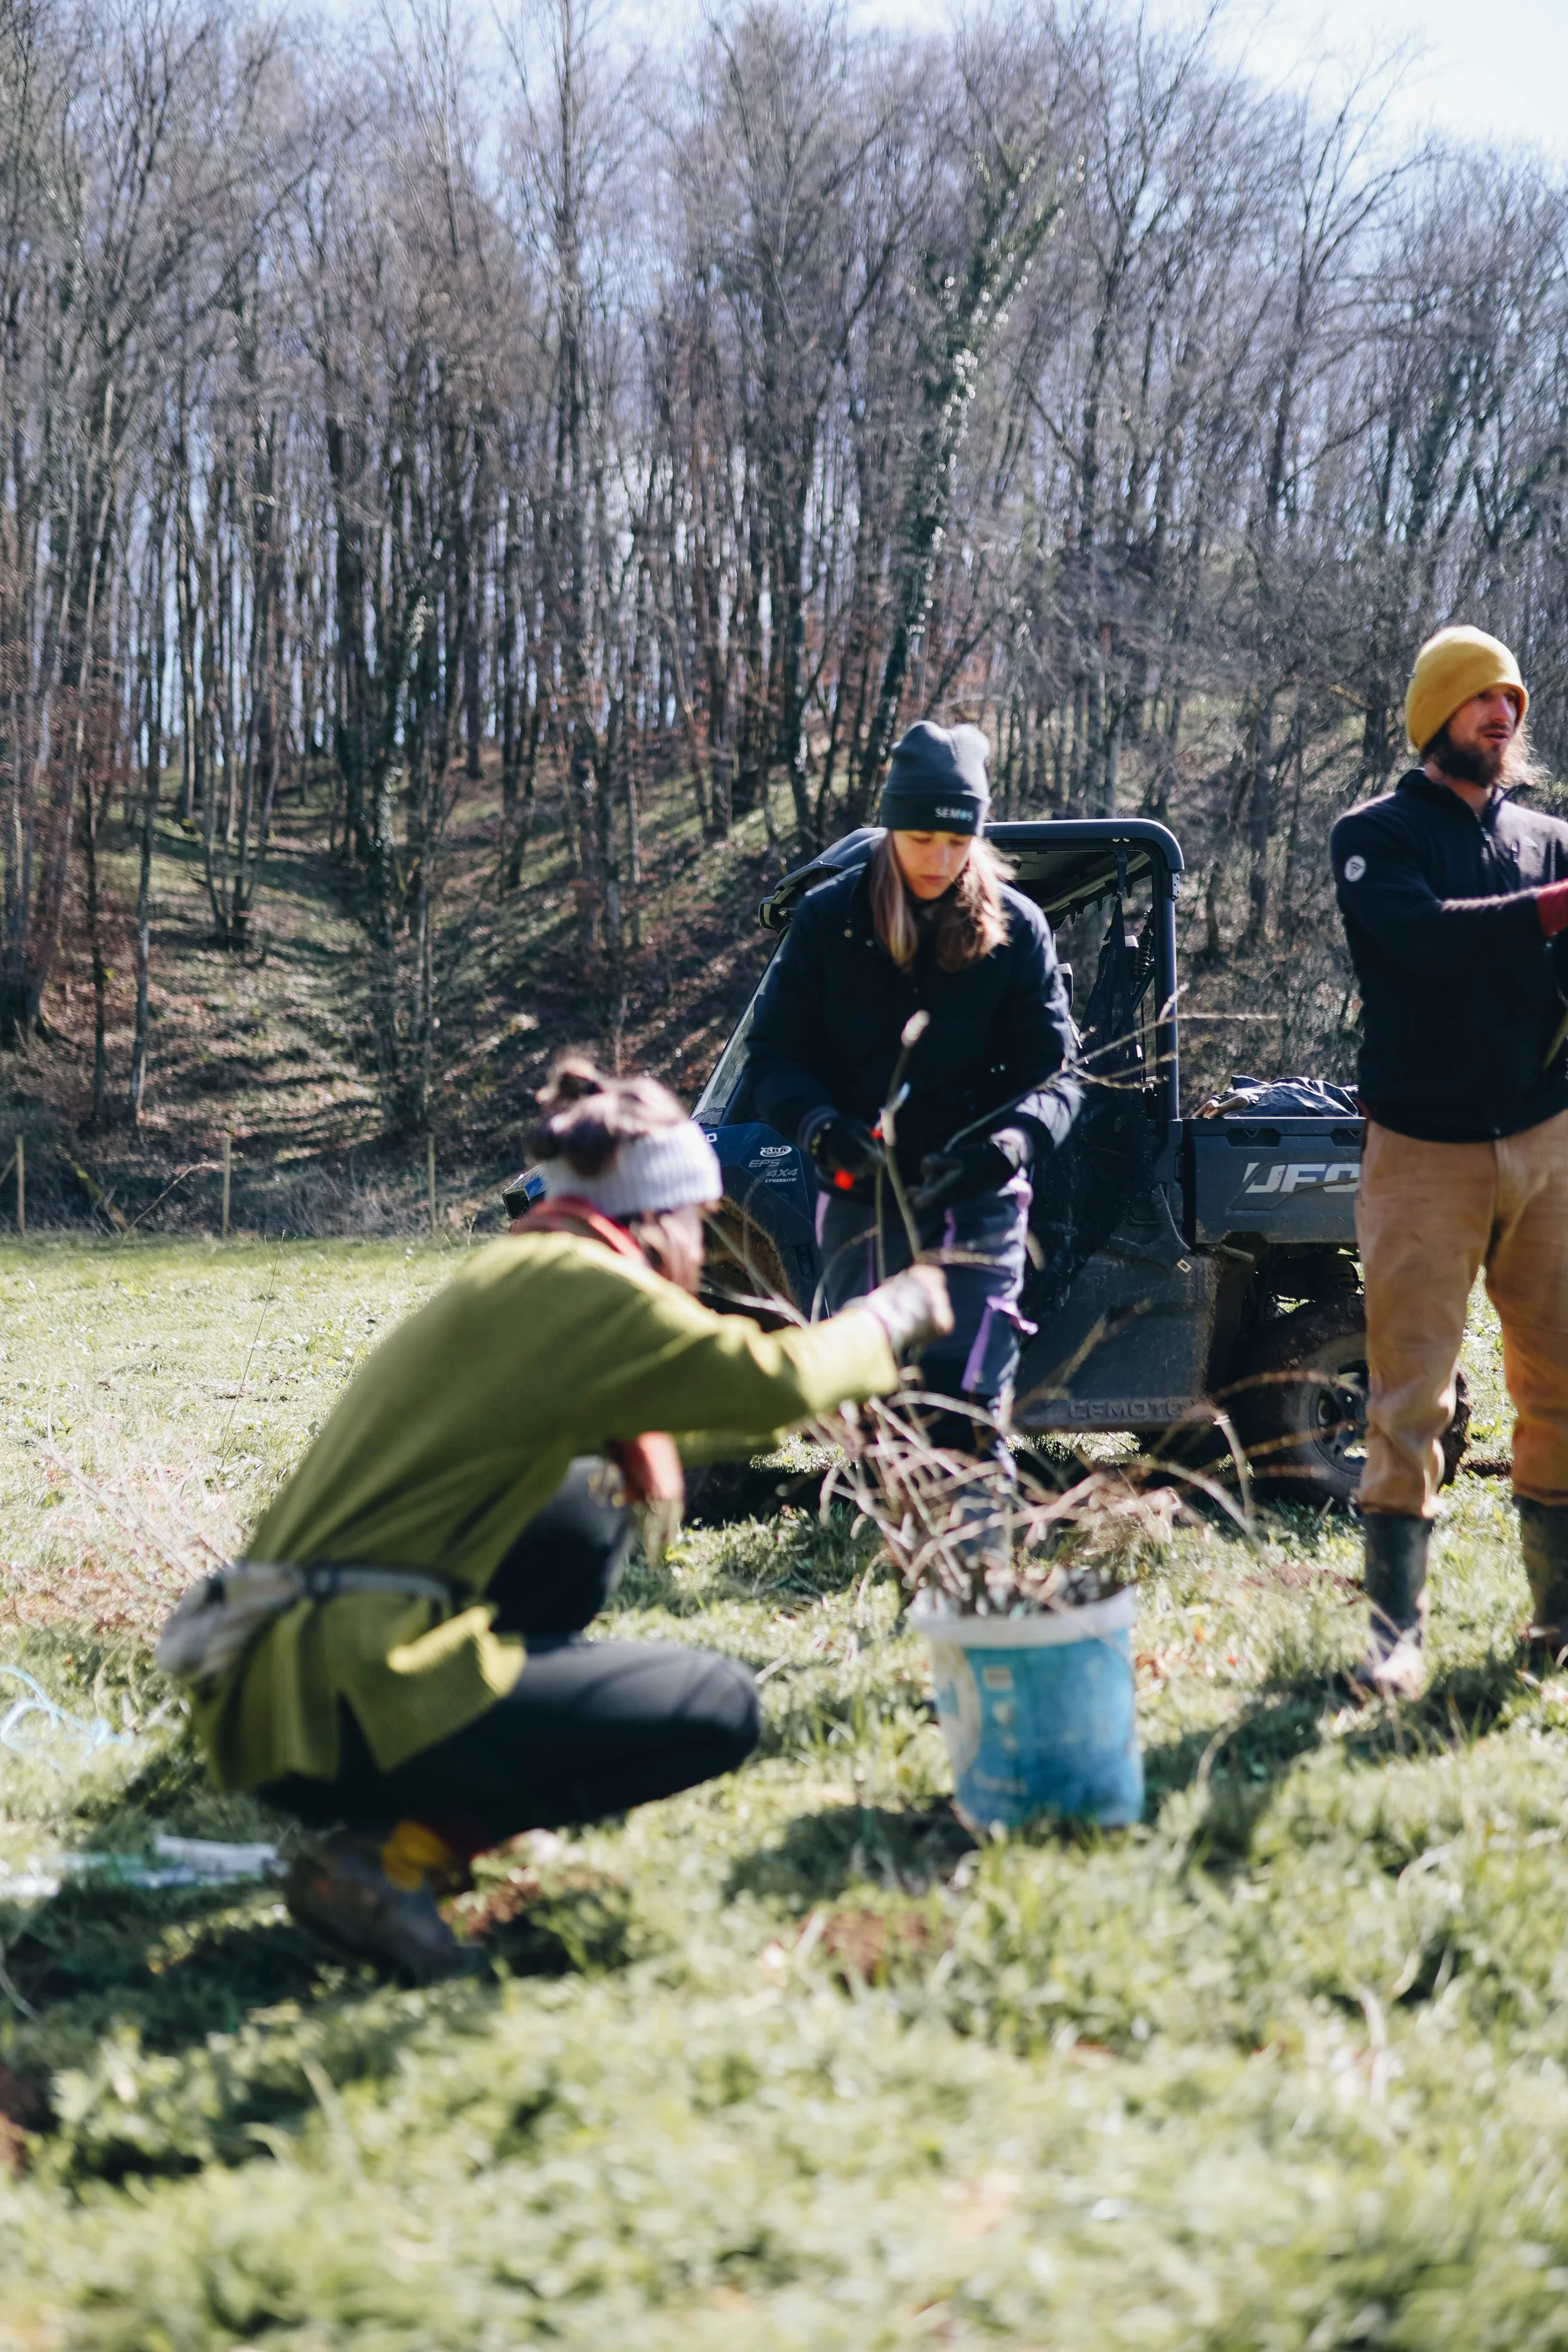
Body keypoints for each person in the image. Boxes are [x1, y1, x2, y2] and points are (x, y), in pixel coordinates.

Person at [163, 1058, 951, 1981]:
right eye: (702, 1222)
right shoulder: (591, 1290)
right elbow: (771, 1388)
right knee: (717, 1706)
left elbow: (661, 1433)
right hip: (352, 1692)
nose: (705, 1251)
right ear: (660, 1217)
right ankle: (394, 1853)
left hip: (267, 1683)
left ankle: (444, 1786)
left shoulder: (518, 1268)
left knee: (584, 1512)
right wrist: (894, 1313)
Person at [744, 719, 1080, 1516]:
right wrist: (821, 1128)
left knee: (967, 1391)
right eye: (921, 837)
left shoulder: (1017, 927)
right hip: (860, 1190)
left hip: (979, 1192)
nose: (937, 859)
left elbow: (1060, 1072)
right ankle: (885, 1544)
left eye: (957, 839)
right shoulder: (829, 921)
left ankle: (974, 1553)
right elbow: (774, 1059)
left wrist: (1008, 1145)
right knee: (877, 1389)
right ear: (892, 826)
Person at [1332, 624, 1568, 1698]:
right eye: (1482, 700)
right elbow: (1429, 939)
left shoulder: (1551, 840)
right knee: (1410, 1396)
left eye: (1512, 700)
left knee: (1560, 1384)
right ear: (1437, 717)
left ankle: (1556, 1625)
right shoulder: (1372, 835)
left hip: (1548, 1144)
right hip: (1421, 1153)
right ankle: (1396, 1639)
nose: (1504, 716)